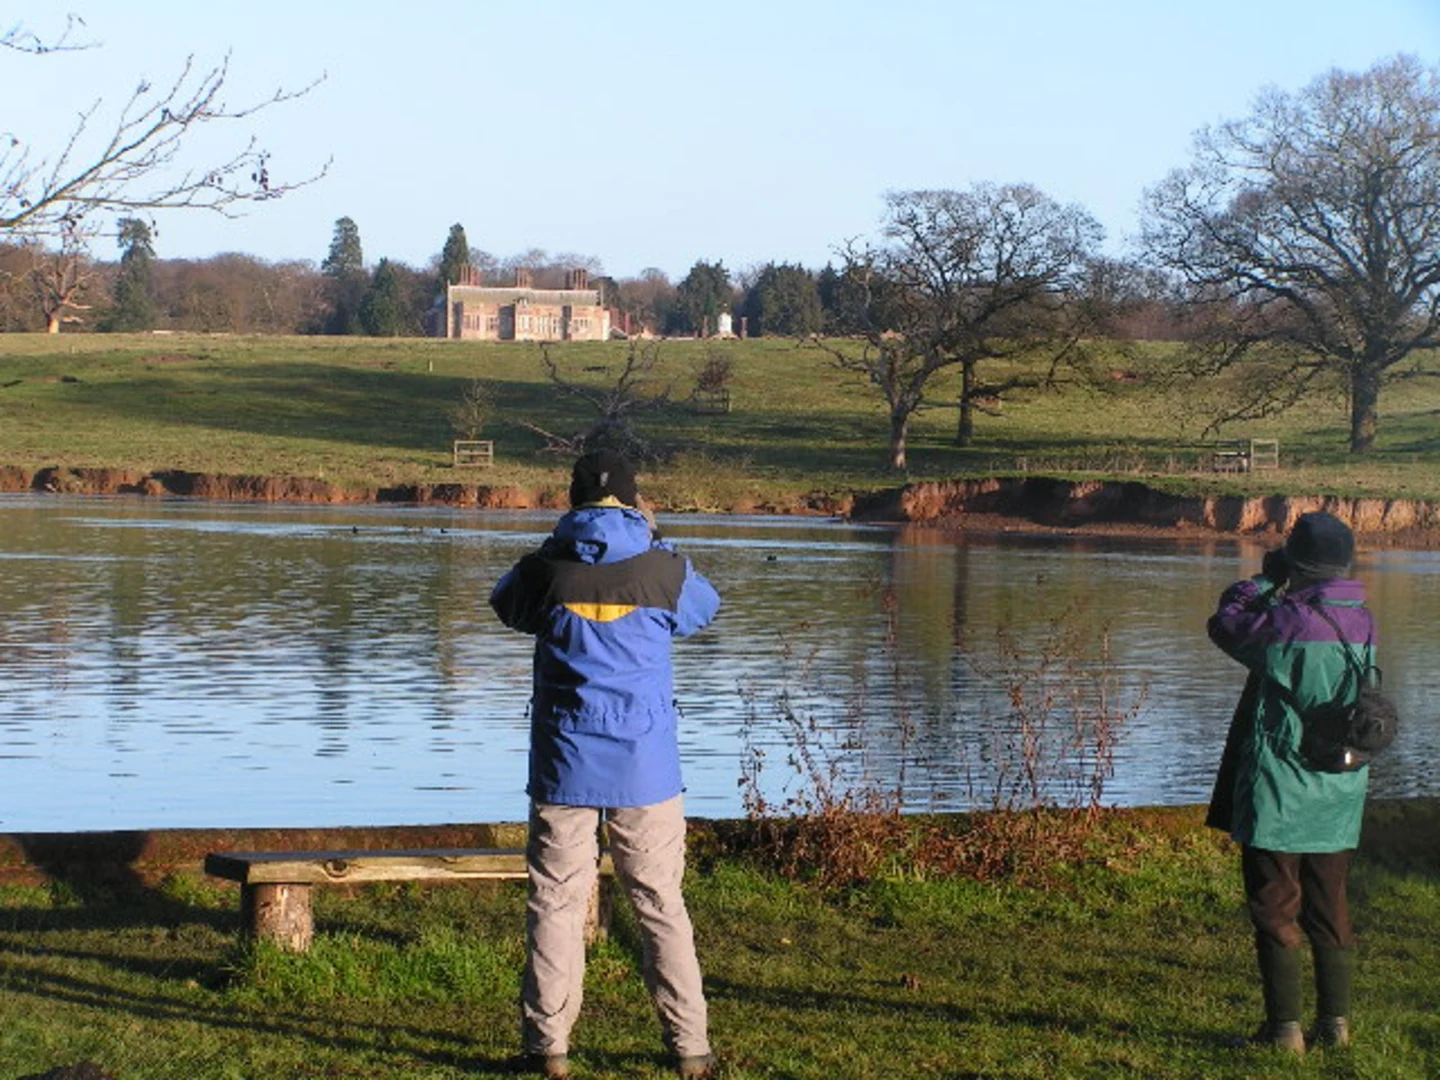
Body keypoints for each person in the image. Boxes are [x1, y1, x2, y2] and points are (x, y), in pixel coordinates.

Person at [490, 450, 721, 1080]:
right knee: (660, 905)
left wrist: (548, 549)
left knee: (555, 905)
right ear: (633, 499)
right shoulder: (664, 571)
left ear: (572, 501)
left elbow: (505, 606)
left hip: (564, 764)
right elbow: (705, 610)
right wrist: (661, 542)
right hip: (645, 767)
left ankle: (547, 1051)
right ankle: (690, 1051)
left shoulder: (544, 571)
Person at [1206, 511, 1375, 1054]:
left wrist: (1262, 580)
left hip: (1280, 788)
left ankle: (1284, 1033)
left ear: (1297, 562)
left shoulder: (1285, 623)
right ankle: (1335, 1026)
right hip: (1340, 787)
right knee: (1330, 905)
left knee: (1275, 904)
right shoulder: (1364, 619)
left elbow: (1226, 622)